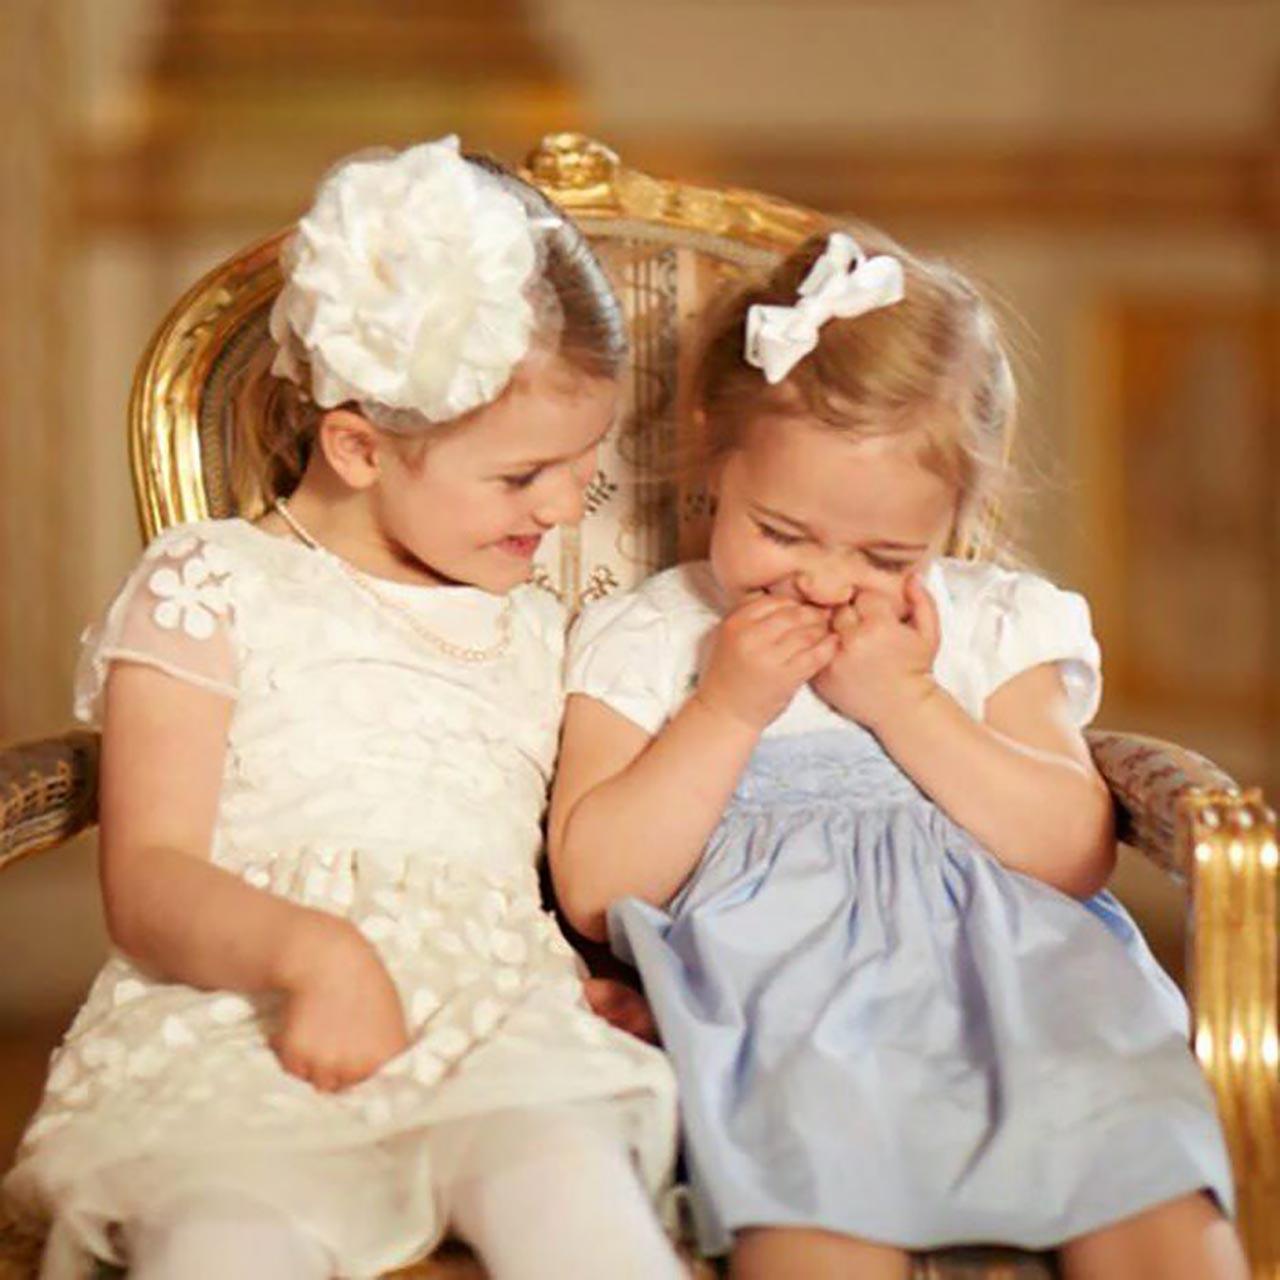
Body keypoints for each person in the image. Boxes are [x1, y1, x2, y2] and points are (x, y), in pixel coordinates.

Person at [4, 137, 683, 1280]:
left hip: (492, 1030)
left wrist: (581, 980)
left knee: (567, 1183)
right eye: (523, 476)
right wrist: (312, 953)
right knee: (224, 1228)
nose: (566, 508)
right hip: (241, 1013)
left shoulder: (537, 630)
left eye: (581, 464)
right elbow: (150, 873)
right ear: (360, 446)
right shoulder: (214, 583)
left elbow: (525, 862)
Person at [550, 228, 1244, 1279]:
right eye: (781, 532)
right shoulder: (654, 637)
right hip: (790, 1027)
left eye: (885, 555)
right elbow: (598, 888)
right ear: (712, 455)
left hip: (1029, 1003)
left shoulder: (989, 625)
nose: (828, 582)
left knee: (1147, 1194)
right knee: (812, 1218)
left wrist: (907, 700)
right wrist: (725, 710)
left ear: (956, 514)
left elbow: (1070, 850)